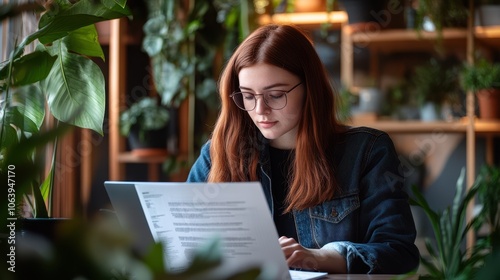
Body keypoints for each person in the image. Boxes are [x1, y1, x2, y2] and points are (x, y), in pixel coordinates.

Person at [187, 24, 420, 274]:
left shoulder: (367, 152)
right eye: (248, 95)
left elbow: (398, 252)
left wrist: (323, 257)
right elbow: (182, 244)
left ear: (309, 89)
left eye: (275, 95)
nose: (260, 110)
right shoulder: (218, 154)